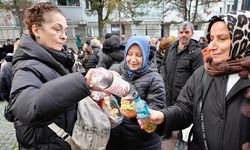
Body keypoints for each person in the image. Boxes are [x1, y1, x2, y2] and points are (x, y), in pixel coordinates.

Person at [140, 11, 250, 150]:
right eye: (211, 38)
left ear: (244, 39)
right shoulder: (203, 74)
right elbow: (185, 109)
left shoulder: (196, 53)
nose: (211, 46)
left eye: (222, 38)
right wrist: (163, 116)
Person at [8, 2, 99, 149]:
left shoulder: (58, 60)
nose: (64, 36)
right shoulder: (27, 66)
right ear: (36, 30)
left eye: (65, 30)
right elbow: (31, 107)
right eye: (57, 29)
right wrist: (84, 82)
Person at [106, 36, 166, 150]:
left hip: (142, 141)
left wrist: (137, 109)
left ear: (145, 55)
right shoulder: (116, 70)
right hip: (115, 138)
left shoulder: (154, 78)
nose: (133, 59)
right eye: (129, 54)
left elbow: (157, 109)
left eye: (139, 55)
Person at [160, 21, 203, 149]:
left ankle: (179, 137)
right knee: (167, 110)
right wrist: (163, 79)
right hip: (168, 89)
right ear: (177, 33)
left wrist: (188, 90)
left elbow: (198, 75)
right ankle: (166, 132)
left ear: (192, 33)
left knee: (181, 116)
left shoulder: (195, 53)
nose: (184, 35)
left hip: (183, 93)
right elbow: (163, 65)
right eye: (181, 32)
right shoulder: (171, 48)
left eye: (187, 32)